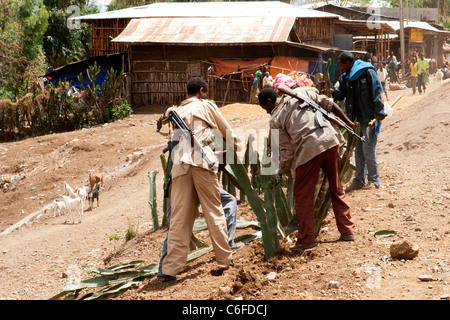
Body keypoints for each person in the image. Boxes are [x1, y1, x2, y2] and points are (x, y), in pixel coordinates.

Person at [158, 77, 239, 283]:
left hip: (179, 167)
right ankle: (224, 260)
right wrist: (234, 148)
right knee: (214, 212)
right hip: (201, 162)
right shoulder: (207, 106)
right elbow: (228, 132)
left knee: (179, 219)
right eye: (206, 91)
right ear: (202, 91)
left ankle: (169, 270)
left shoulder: (177, 111)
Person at [258, 86, 356, 250]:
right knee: (336, 186)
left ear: (269, 102)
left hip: (309, 149)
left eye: (265, 108)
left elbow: (287, 151)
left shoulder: (275, 119)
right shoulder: (301, 94)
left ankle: (306, 239)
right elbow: (330, 105)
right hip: (331, 141)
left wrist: (280, 171)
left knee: (303, 195)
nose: (267, 111)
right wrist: (348, 123)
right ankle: (347, 231)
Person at [333, 51, 386, 191]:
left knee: (368, 149)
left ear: (348, 63)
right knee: (358, 151)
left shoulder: (367, 72)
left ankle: (374, 180)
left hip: (369, 118)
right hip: (356, 121)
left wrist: (379, 113)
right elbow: (341, 95)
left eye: (341, 65)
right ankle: (359, 181)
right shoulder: (347, 77)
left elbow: (377, 91)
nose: (340, 68)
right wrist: (332, 92)